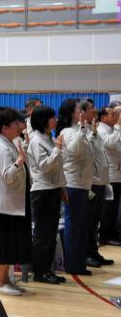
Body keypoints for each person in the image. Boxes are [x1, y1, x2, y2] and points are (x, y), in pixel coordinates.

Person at [0, 107, 31, 296]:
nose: (20, 126)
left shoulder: (9, 143)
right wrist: (20, 161)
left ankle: (5, 280)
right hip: (1, 207)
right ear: (5, 128)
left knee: (10, 244)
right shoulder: (0, 147)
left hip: (11, 205)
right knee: (3, 245)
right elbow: (8, 177)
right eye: (16, 123)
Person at [27, 105, 66, 284]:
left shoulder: (49, 138)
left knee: (51, 234)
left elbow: (57, 166)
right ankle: (39, 272)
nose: (55, 120)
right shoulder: (36, 141)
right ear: (43, 120)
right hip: (42, 191)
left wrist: (61, 187)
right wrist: (57, 149)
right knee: (43, 235)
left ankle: (47, 270)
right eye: (52, 117)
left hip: (53, 189)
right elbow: (44, 166)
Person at [58, 98, 94, 276]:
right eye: (79, 110)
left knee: (79, 225)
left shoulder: (78, 130)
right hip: (73, 183)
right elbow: (74, 150)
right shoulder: (68, 131)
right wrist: (82, 129)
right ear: (71, 113)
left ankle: (78, 261)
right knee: (73, 225)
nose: (82, 112)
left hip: (82, 183)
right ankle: (72, 264)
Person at [82, 99, 114, 267]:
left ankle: (93, 252)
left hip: (100, 181)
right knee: (87, 221)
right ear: (82, 112)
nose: (95, 110)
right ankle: (86, 254)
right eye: (91, 108)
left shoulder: (92, 128)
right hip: (91, 182)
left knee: (95, 221)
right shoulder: (81, 130)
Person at [99, 105, 121, 245]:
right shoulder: (101, 130)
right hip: (109, 176)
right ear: (103, 118)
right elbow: (110, 143)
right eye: (113, 115)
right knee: (108, 207)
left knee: (114, 207)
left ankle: (112, 233)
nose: (115, 117)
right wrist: (118, 126)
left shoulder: (112, 129)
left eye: (116, 115)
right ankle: (105, 235)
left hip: (116, 174)